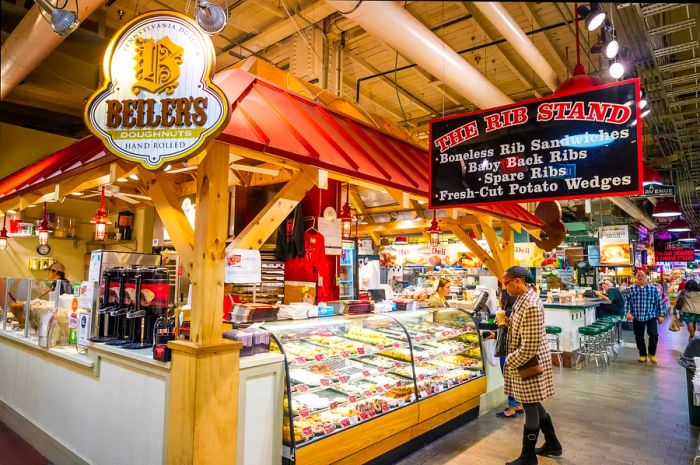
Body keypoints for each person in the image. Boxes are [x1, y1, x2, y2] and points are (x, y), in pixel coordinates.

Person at [502, 266, 560, 465]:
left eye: (506, 282)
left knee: (530, 407)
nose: (505, 287)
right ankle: (553, 444)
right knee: (533, 402)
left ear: (518, 281)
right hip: (528, 362)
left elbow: (529, 347)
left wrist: (509, 361)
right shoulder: (523, 299)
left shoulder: (531, 305)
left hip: (530, 363)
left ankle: (528, 456)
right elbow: (523, 331)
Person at [625, 270, 665, 364]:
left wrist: (661, 315)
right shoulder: (631, 289)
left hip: (651, 315)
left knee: (654, 334)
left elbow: (658, 302)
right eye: (638, 275)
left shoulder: (653, 289)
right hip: (637, 316)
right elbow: (627, 301)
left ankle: (652, 354)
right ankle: (642, 354)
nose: (640, 277)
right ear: (636, 277)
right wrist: (627, 312)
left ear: (645, 276)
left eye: (642, 275)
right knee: (639, 336)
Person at [496, 287, 524, 419]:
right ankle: (519, 404)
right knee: (516, 378)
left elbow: (509, 333)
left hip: (508, 350)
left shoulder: (506, 312)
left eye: (500, 296)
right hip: (515, 350)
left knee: (509, 378)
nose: (499, 299)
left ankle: (511, 408)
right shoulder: (515, 310)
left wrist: (501, 324)